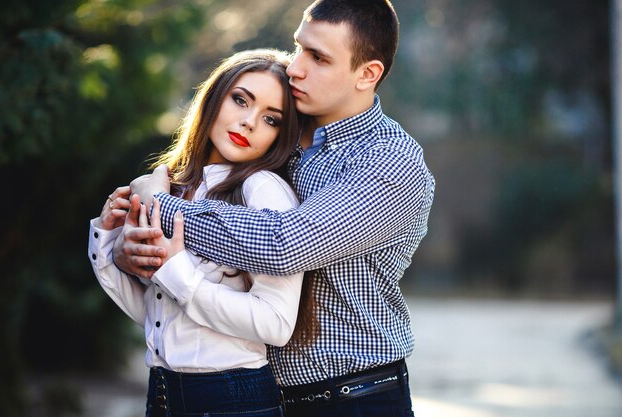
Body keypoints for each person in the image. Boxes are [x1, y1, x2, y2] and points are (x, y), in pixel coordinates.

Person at [116, 1, 435, 416]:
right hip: (254, 394)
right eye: (299, 47)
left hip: (351, 398)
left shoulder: (389, 162)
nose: (296, 67)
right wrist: (132, 245)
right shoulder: (278, 127)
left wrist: (159, 209)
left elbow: (282, 243)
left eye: (318, 58)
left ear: (367, 74)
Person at [88, 49, 314, 417]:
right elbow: (156, 317)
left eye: (271, 119)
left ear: (281, 135)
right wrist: (108, 242)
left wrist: (178, 273)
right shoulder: (171, 187)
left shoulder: (263, 190)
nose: (249, 122)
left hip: (232, 396)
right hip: (162, 391)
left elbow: (276, 324)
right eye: (240, 100)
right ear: (213, 95)